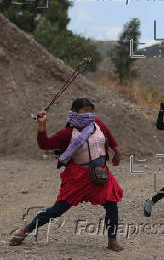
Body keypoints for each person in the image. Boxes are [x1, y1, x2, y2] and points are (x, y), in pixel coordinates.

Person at [9, 98, 124, 251]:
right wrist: (42, 124)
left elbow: (108, 135)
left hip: (100, 174)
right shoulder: (68, 132)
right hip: (78, 177)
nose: (89, 113)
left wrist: (116, 151)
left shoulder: (97, 123)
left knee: (111, 204)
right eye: (85, 110)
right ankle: (25, 230)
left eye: (91, 109)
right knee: (58, 210)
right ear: (75, 111)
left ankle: (112, 240)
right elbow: (45, 144)